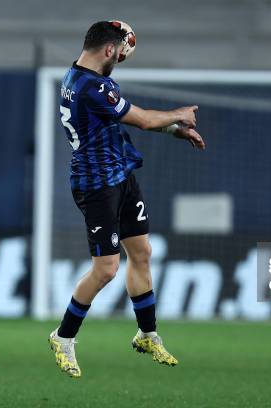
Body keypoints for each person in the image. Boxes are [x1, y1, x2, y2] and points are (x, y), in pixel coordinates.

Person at [49, 21, 206, 378]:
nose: (119, 59)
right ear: (108, 50)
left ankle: (147, 334)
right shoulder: (91, 87)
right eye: (120, 54)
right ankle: (63, 336)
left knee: (142, 253)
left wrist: (175, 132)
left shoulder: (80, 77)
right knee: (106, 269)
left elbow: (127, 121)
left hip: (120, 176)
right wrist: (178, 115)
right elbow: (145, 122)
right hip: (97, 185)